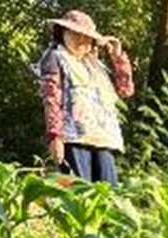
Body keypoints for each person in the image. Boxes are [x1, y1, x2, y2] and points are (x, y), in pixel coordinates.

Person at [37, 9, 134, 184]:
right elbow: (51, 98)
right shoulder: (55, 57)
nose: (81, 39)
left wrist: (117, 55)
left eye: (86, 36)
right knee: (79, 192)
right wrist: (55, 137)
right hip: (74, 138)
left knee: (108, 195)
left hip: (103, 138)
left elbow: (125, 90)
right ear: (63, 33)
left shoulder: (96, 65)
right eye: (75, 33)